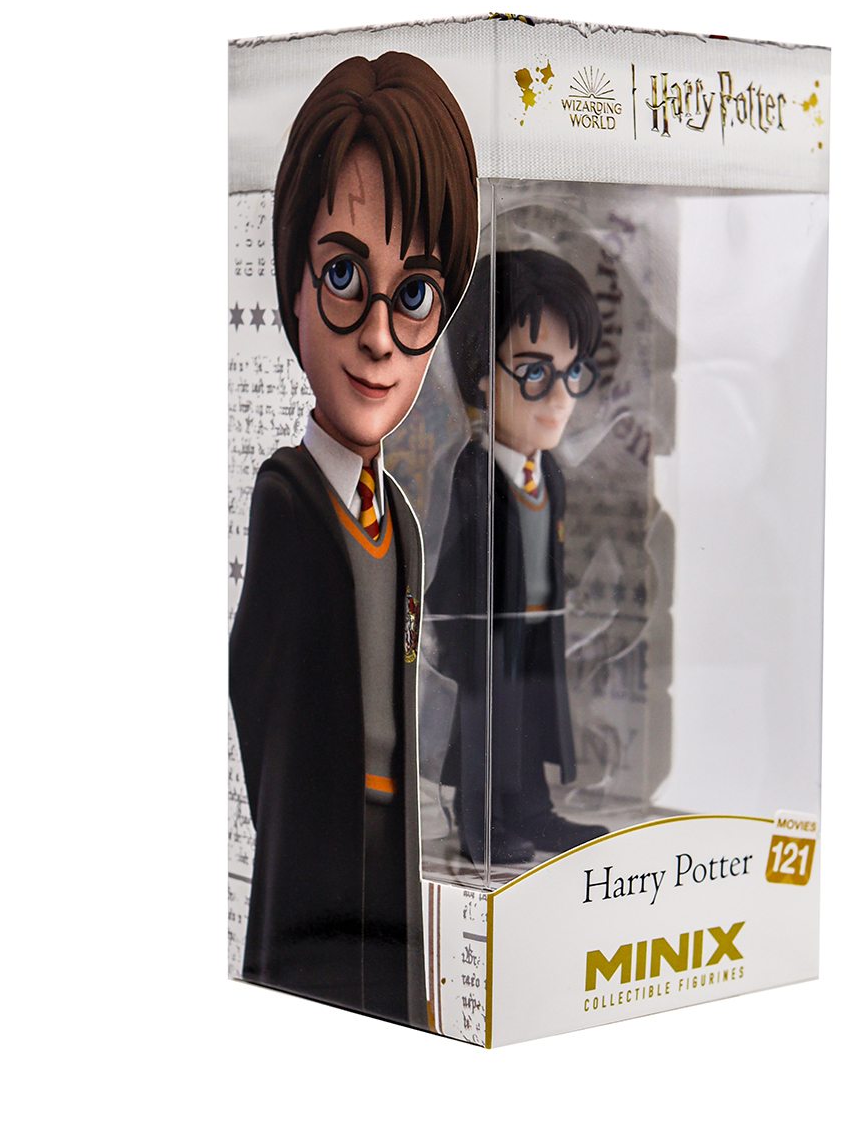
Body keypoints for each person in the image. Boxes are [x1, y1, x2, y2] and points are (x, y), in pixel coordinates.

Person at [229, 52, 478, 1025]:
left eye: (412, 295)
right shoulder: (287, 500)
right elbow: (254, 686)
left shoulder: (403, 523)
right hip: (312, 871)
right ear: (292, 287)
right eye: (343, 276)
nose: (378, 336)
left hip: (390, 855)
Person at [429, 250, 609, 865]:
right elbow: (443, 562)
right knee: (485, 728)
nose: (560, 398)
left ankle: (533, 811)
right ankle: (480, 821)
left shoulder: (548, 474)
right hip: (481, 636)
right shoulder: (470, 476)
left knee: (530, 720)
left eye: (572, 372)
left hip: (536, 628)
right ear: (483, 372)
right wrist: (455, 638)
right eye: (535, 372)